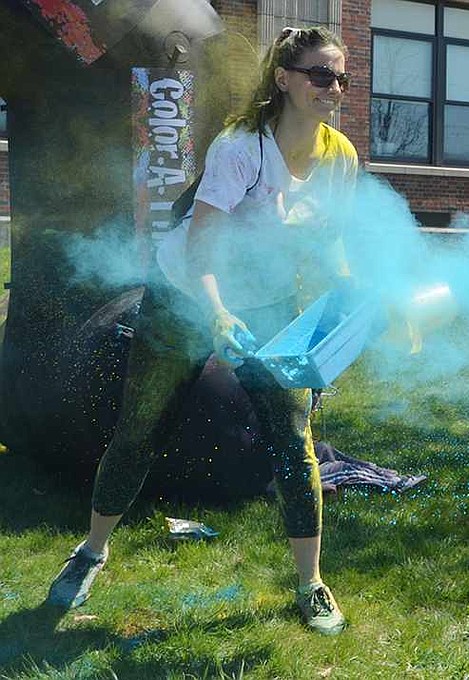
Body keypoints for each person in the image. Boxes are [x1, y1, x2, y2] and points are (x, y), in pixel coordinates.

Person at [46, 26, 360, 636]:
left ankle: (311, 584)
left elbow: (332, 238)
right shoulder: (241, 148)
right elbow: (202, 247)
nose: (335, 88)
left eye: (341, 77)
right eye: (321, 75)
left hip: (268, 305)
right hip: (185, 297)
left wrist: (348, 289)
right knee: (140, 430)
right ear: (284, 79)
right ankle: (90, 552)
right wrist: (214, 313)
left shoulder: (339, 154)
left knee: (293, 441)